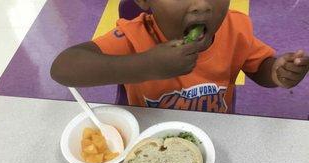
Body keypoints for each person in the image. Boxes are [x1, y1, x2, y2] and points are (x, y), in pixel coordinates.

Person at [50, 0, 309, 113]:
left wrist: (276, 71)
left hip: (215, 132)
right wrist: (145, 65)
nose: (201, 5)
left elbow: (258, 67)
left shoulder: (236, 28)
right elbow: (63, 67)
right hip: (148, 134)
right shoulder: (134, 35)